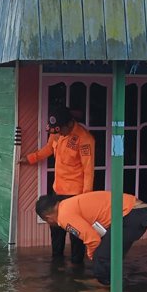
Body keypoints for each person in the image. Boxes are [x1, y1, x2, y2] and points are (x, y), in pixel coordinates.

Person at [21, 107, 95, 264]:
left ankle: (77, 266)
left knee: (76, 233)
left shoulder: (84, 139)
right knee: (56, 229)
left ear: (69, 124)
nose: (59, 134)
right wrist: (31, 158)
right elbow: (49, 148)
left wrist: (86, 198)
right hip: (57, 191)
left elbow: (88, 171)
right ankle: (57, 263)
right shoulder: (56, 132)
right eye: (57, 131)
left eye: (61, 130)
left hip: (75, 195)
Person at [35, 191, 147, 285]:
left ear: (48, 217)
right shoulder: (67, 204)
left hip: (131, 214)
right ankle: (110, 282)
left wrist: (93, 257)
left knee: (101, 256)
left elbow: (92, 239)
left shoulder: (63, 217)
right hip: (135, 211)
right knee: (109, 255)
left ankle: (105, 288)